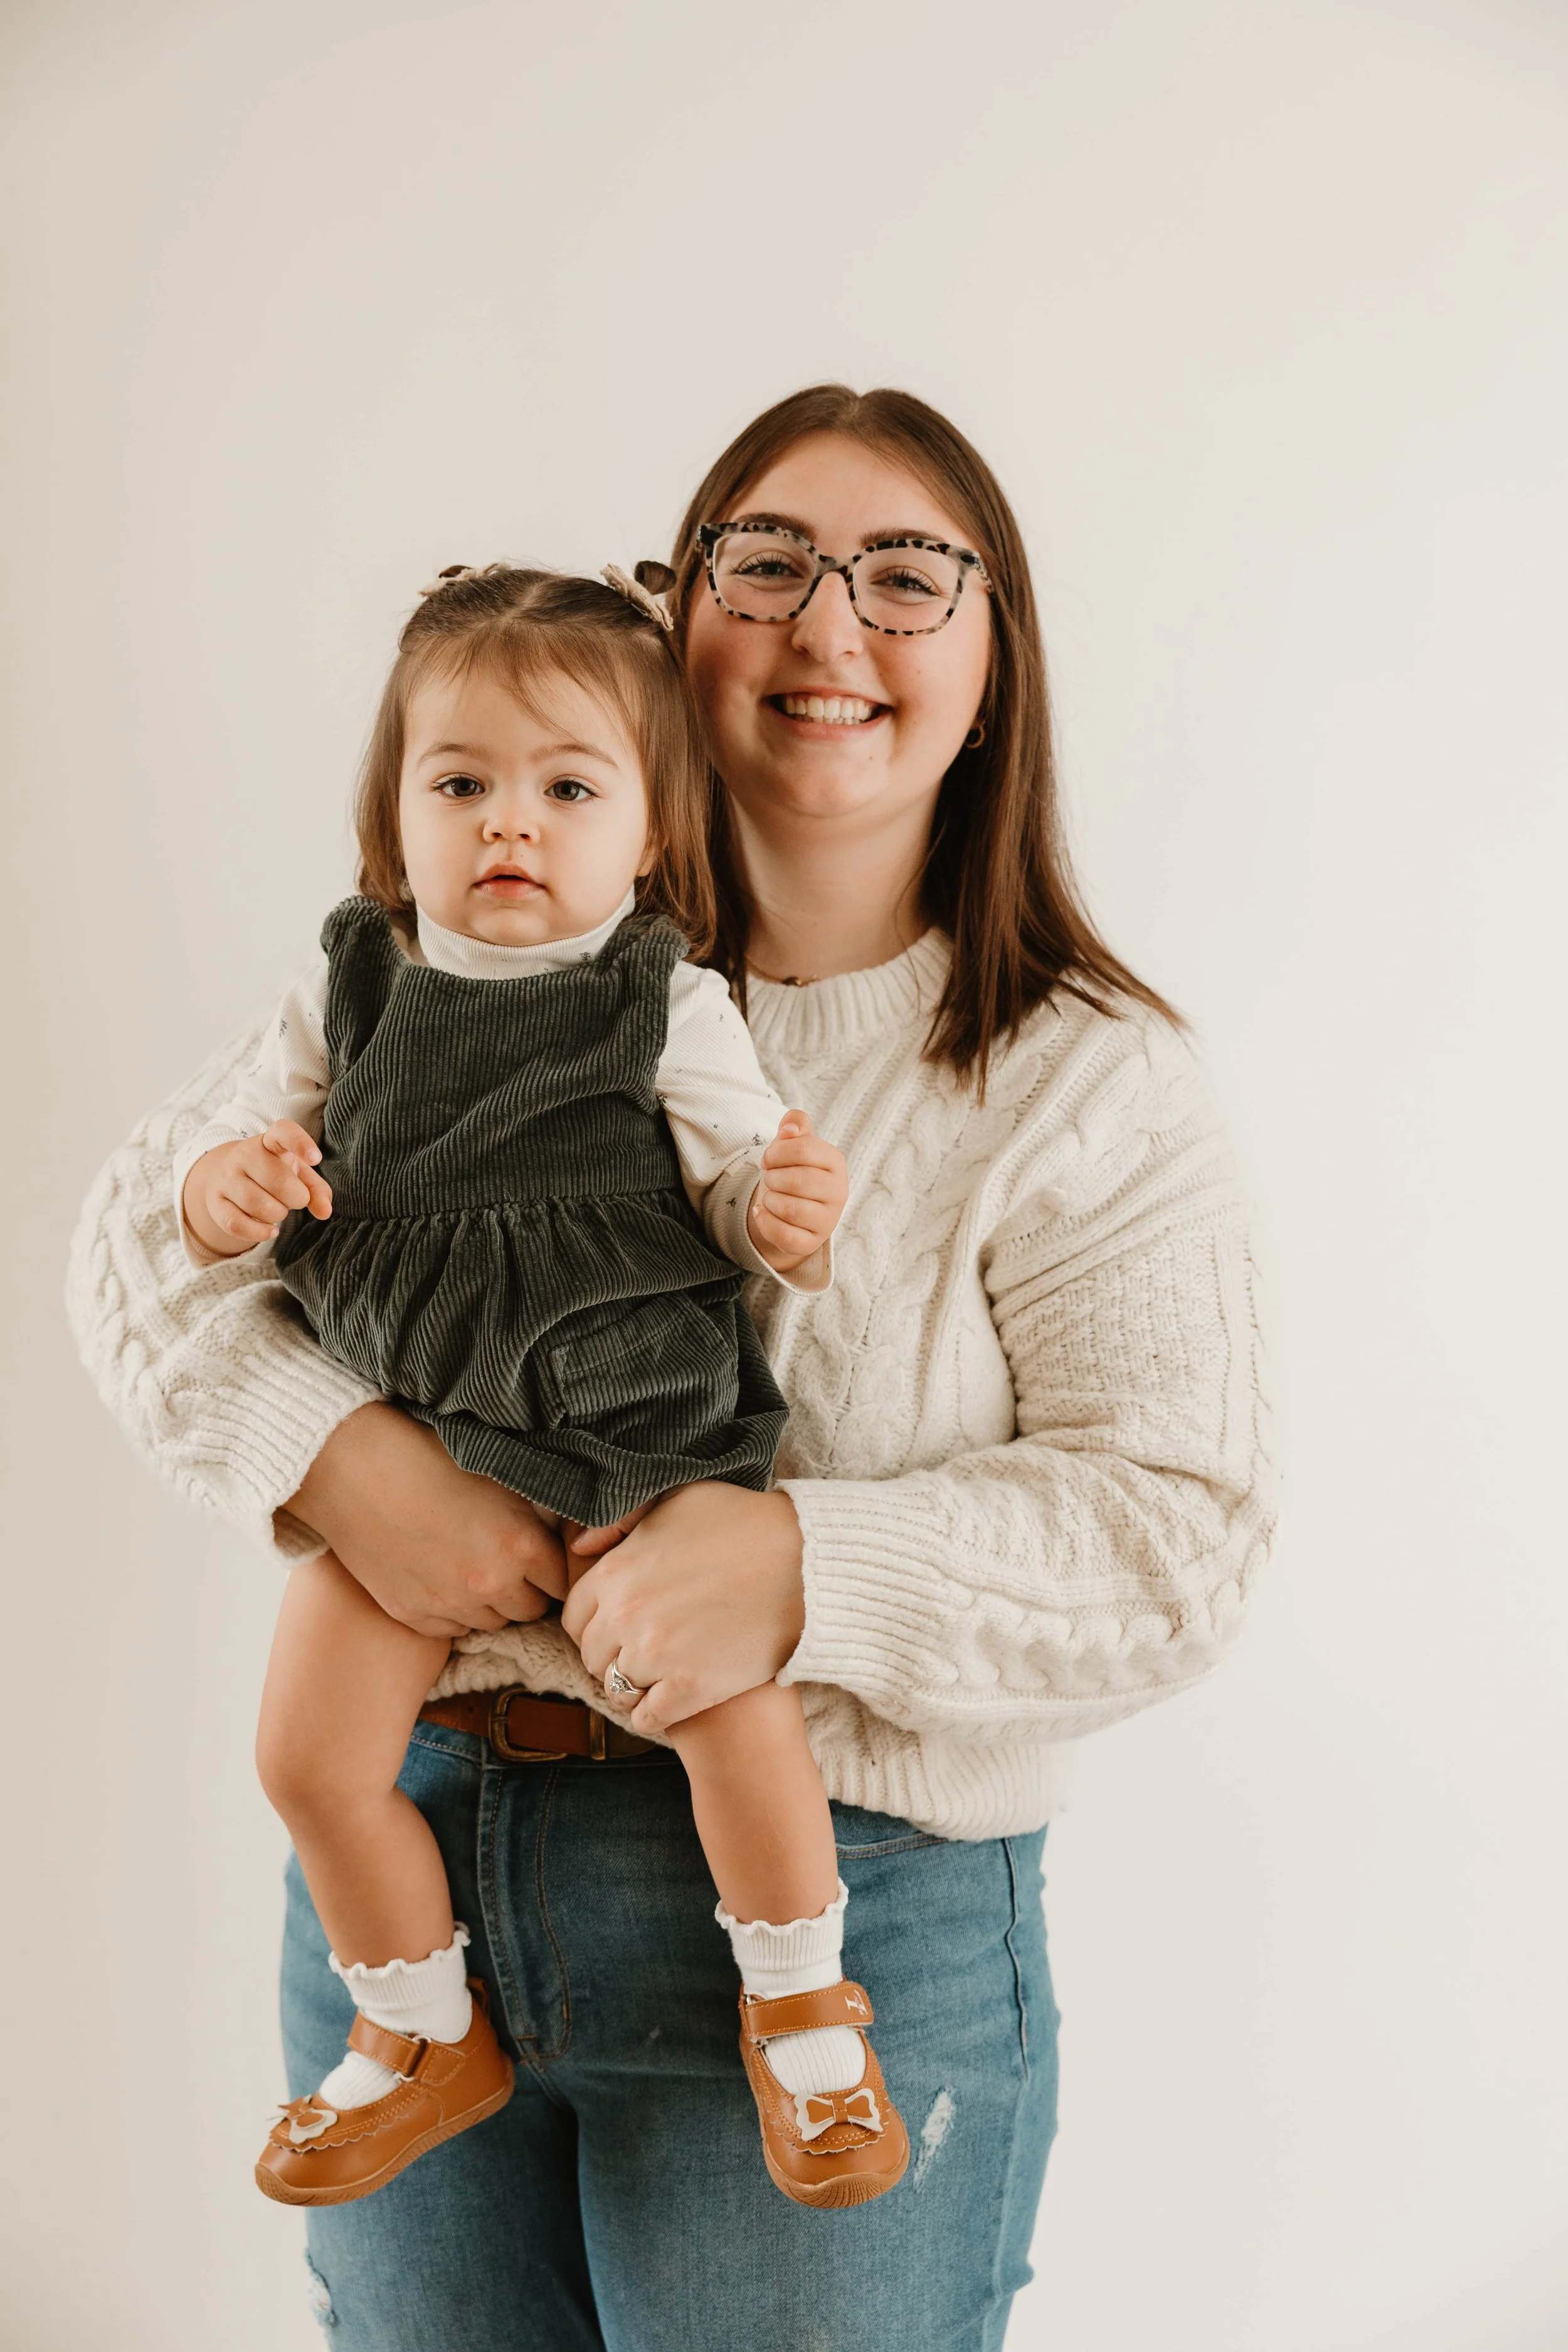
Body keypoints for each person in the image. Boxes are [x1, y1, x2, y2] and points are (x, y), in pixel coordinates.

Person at [69, 384, 1275, 2351]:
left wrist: (804, 1568)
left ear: (997, 654)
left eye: (907, 574)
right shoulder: (466, 946)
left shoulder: (1082, 1081)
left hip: (850, 1905)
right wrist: (343, 1455)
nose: (828, 624)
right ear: (670, 626)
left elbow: (1178, 1538)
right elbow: (141, 1244)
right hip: (423, 1868)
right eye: (767, 560)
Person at [171, 558, 906, 2211]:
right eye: (462, 784)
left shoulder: (663, 994)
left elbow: (734, 1180)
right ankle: (420, 2023)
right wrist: (224, 1183)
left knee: (724, 1703)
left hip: (626, 1421)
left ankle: (801, 2013)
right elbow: (218, 1147)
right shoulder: (349, 979)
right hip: (420, 1443)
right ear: (399, 809)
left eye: (567, 788)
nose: (510, 825)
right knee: (304, 1752)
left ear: (645, 831)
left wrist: (774, 1210)